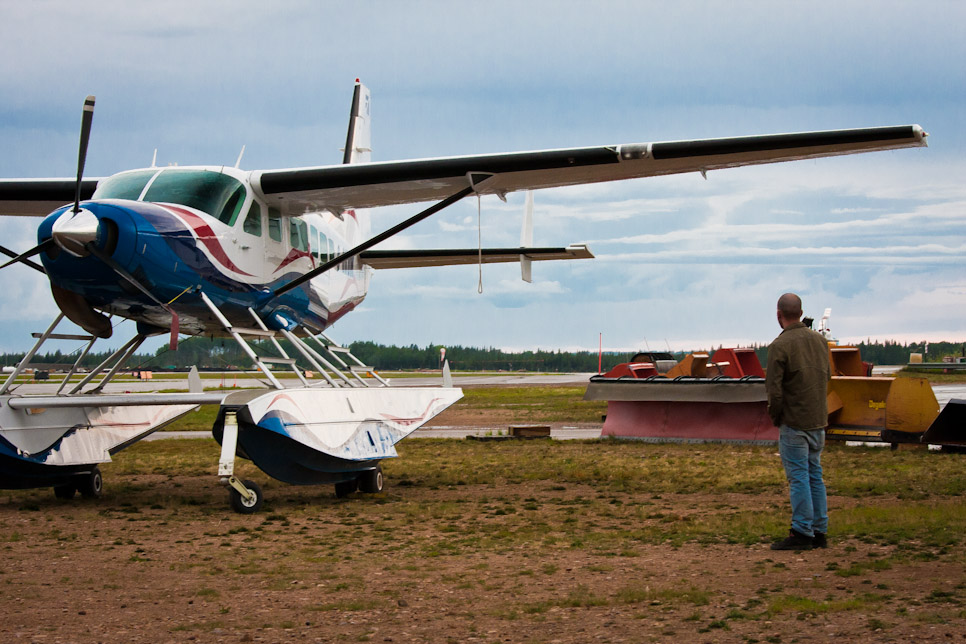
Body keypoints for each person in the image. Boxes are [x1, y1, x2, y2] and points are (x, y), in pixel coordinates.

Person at [765, 293, 831, 550]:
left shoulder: (779, 346)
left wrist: (776, 416)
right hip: (818, 420)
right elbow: (827, 377)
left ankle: (802, 531)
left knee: (799, 477)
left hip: (794, 422)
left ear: (779, 314)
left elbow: (775, 389)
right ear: (801, 313)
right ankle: (819, 530)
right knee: (815, 474)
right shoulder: (819, 341)